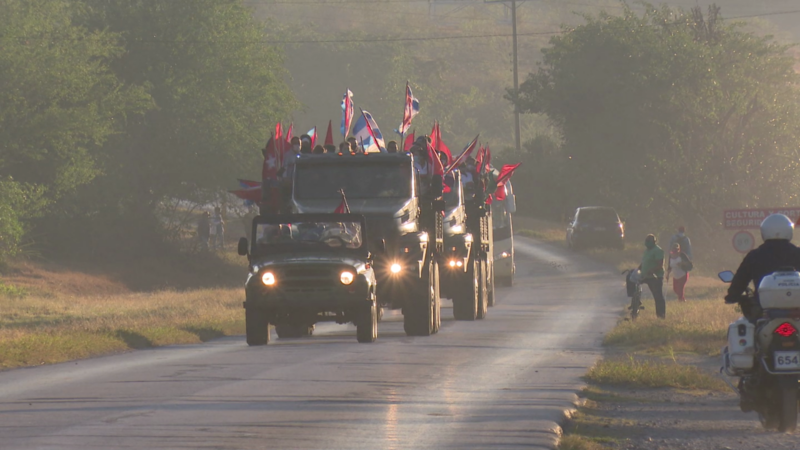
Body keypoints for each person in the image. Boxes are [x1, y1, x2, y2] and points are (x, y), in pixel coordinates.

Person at [726, 214, 800, 320]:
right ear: (789, 231)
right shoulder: (798, 253)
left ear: (764, 231)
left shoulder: (755, 255)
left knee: (743, 328)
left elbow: (740, 279)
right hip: (796, 311)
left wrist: (732, 295)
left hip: (763, 312)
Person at [640, 234, 666, 319]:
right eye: (646, 241)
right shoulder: (647, 251)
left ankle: (661, 315)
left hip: (655, 276)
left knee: (657, 296)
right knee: (633, 283)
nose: (647, 243)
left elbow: (660, 264)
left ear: (654, 242)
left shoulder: (658, 250)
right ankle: (635, 305)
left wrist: (652, 270)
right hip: (645, 275)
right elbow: (645, 262)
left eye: (649, 241)